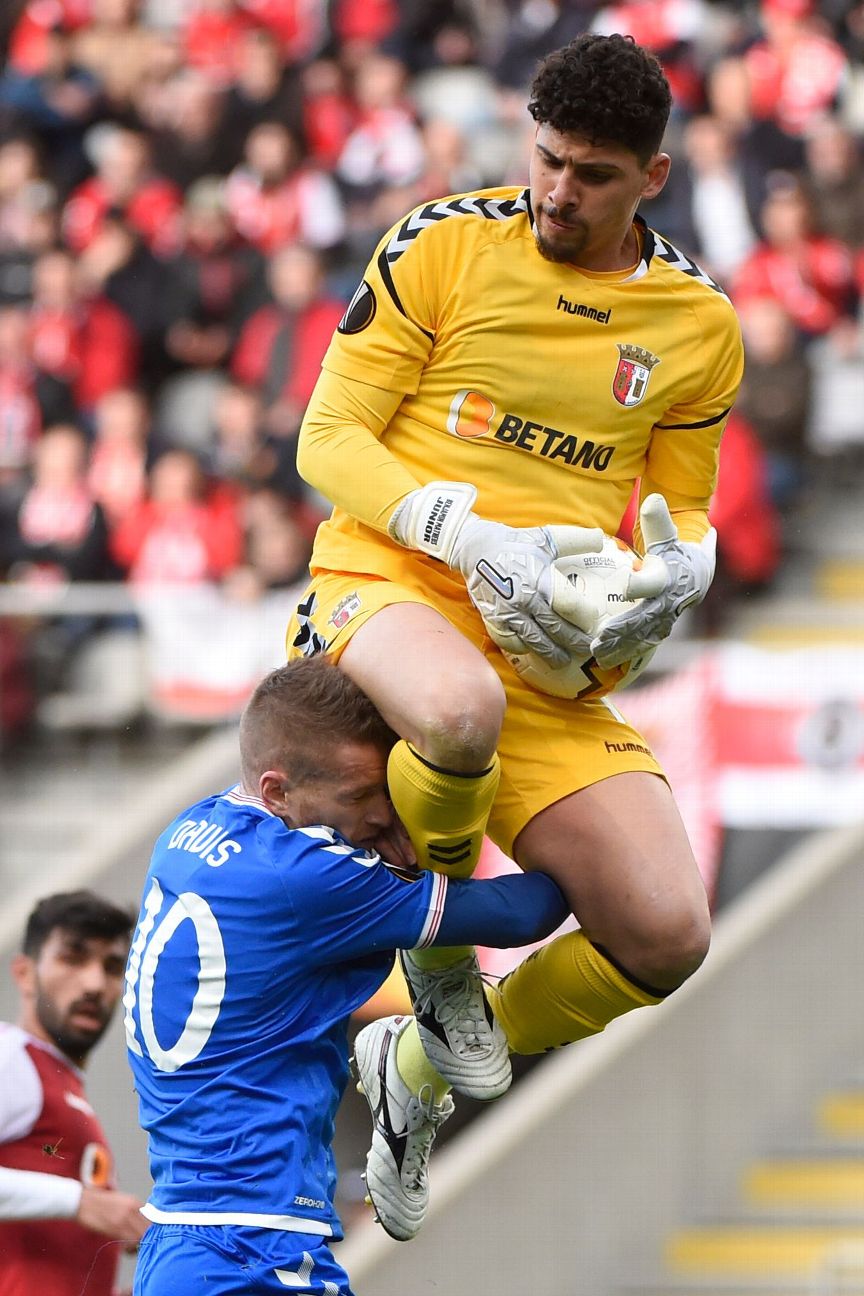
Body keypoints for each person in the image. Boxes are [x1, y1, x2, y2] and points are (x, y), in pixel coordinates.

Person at [287, 29, 744, 1230]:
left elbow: (677, 509)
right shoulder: (440, 245)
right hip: (391, 590)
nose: (556, 189)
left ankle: (418, 1075)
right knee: (455, 710)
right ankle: (436, 966)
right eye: (545, 157)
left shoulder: (698, 326)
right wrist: (462, 527)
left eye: (592, 173)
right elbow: (325, 440)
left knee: (665, 931)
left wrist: (676, 574)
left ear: (651, 176)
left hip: (547, 655)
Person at [125, 655, 570, 1287]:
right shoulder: (305, 877)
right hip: (249, 1248)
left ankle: (405, 1052)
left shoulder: (195, 826)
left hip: (189, 1238)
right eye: (362, 797)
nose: (383, 818)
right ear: (278, 790)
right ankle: (405, 1052)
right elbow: (522, 913)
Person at [0, 890, 148, 1296]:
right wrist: (82, 1202)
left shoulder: (60, 1083)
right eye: (73, 958)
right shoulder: (11, 1057)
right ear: (25, 973)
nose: (95, 983)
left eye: (113, 966)